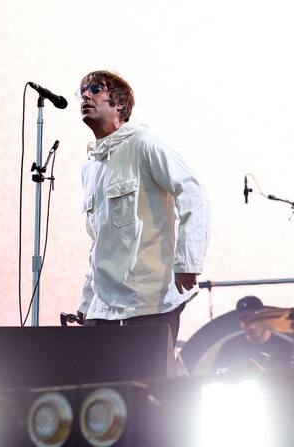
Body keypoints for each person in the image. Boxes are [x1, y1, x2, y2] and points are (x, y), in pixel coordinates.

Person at [75, 70, 209, 345]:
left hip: (149, 303)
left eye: (96, 88)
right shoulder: (90, 169)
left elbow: (193, 193)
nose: (86, 95)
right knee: (101, 388)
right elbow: (98, 242)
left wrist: (187, 260)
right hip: (102, 310)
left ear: (120, 104)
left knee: (147, 386)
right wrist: (87, 300)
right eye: (82, 91)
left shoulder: (145, 144)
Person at [212, 296, 292, 372]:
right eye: (245, 320)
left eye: (255, 319)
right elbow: (214, 376)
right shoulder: (229, 347)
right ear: (240, 322)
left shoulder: (287, 347)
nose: (251, 327)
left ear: (265, 318)